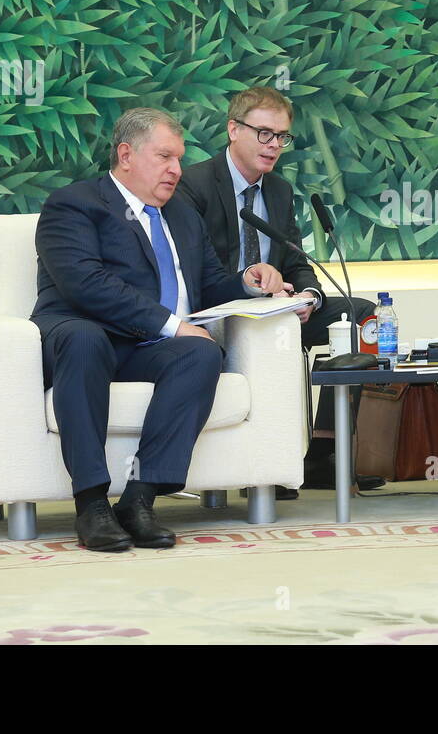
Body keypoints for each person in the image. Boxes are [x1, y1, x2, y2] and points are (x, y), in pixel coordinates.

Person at [32, 108, 284, 551]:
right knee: (85, 338)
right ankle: (91, 503)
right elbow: (85, 285)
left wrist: (246, 281)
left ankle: (139, 499)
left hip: (148, 347)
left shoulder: (182, 214)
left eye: (180, 159)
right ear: (126, 155)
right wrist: (172, 326)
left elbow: (208, 285)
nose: (176, 170)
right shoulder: (75, 204)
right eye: (165, 157)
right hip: (84, 338)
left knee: (203, 353)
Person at [176, 87, 384, 498]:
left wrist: (308, 297)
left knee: (361, 317)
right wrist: (251, 284)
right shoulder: (194, 185)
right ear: (233, 129)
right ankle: (257, 463)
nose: (274, 146)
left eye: (282, 137)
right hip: (221, 313)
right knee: (266, 331)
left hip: (277, 311)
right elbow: (193, 270)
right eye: (264, 133)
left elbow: (295, 261)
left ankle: (324, 453)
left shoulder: (278, 191)